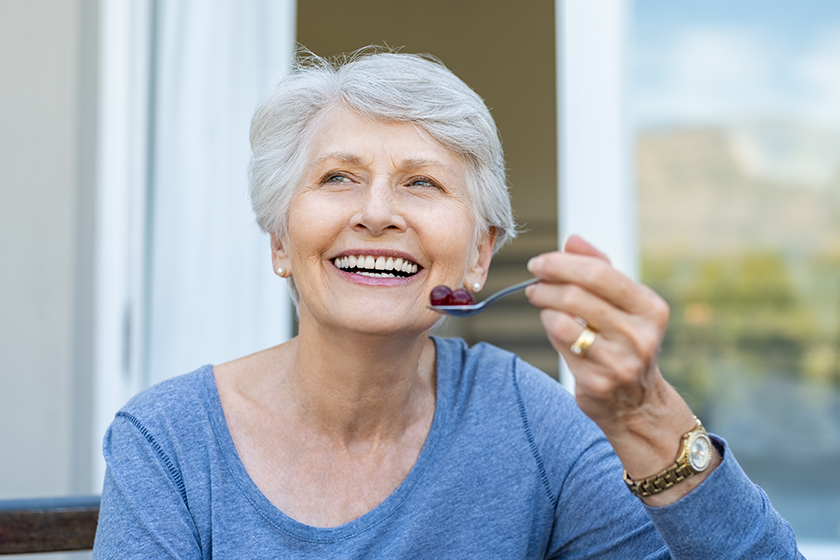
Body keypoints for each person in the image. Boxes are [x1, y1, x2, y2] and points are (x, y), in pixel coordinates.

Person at [93, 50, 802, 558]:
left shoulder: (530, 422)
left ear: (480, 254)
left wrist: (645, 416)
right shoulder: (168, 441)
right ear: (280, 240)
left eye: (422, 183)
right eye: (338, 177)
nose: (376, 213)